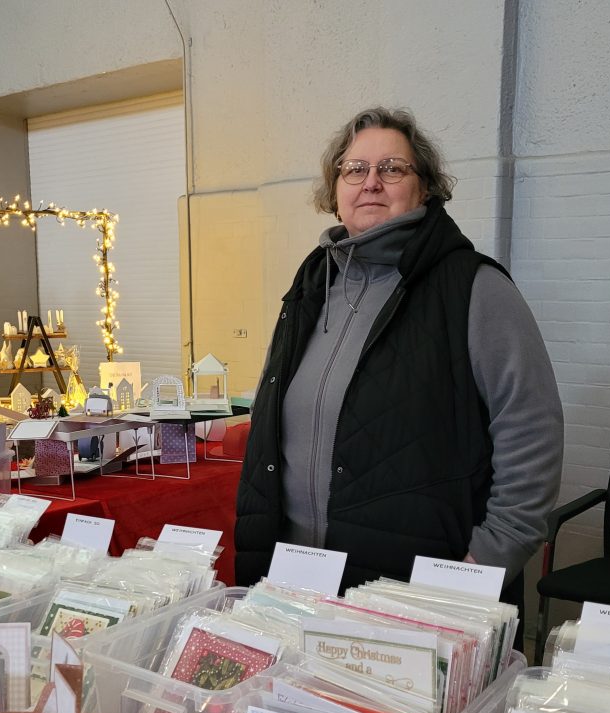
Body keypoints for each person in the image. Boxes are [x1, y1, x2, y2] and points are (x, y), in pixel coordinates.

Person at [235, 107, 564, 630]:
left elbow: (531, 436)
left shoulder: (474, 288)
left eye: (391, 168)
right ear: (335, 187)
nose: (371, 183)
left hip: (419, 590)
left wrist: (484, 564)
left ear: (425, 187)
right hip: (299, 584)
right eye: (353, 169)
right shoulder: (309, 285)